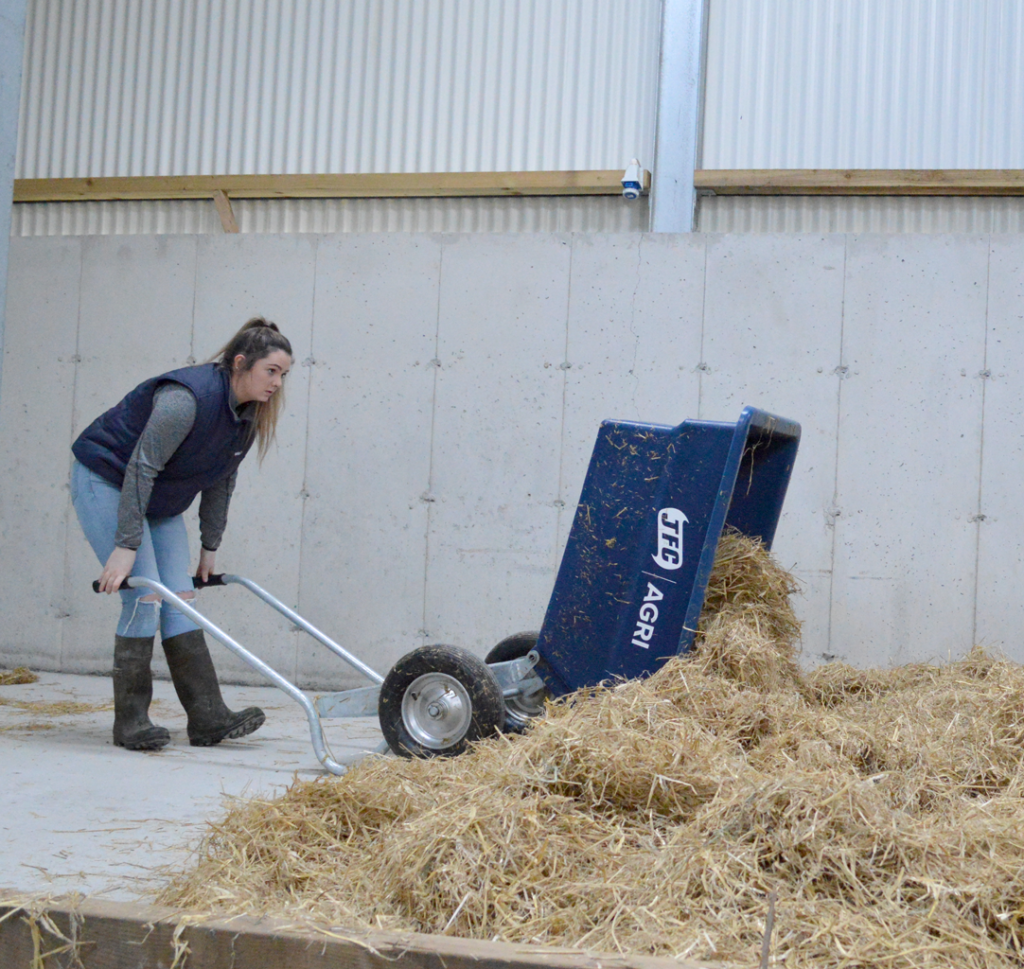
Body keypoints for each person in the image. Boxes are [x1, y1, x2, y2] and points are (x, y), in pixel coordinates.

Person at [70, 318, 294, 752]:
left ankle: (208, 717)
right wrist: (125, 546)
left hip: (160, 496)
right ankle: (131, 723)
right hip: (109, 479)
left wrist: (210, 547)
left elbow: (221, 479)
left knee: (182, 600)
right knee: (146, 595)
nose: (278, 383)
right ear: (241, 364)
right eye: (271, 371)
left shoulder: (246, 417)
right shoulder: (187, 399)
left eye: (284, 374)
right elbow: (141, 467)